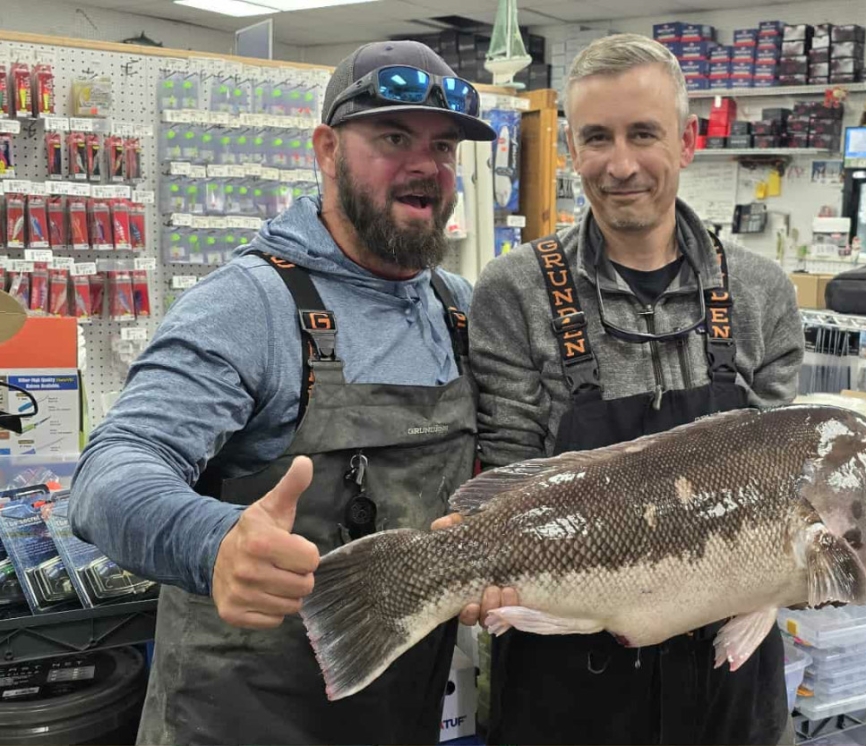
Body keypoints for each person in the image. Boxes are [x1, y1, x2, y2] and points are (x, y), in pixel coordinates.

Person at [69, 41, 496, 745]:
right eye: (393, 138)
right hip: (238, 724)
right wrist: (214, 542)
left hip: (396, 716)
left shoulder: (457, 313)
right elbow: (109, 471)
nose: (427, 166)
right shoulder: (251, 306)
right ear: (327, 150)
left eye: (444, 146)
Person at [465, 33, 805, 745]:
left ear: (685, 142)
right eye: (597, 138)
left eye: (643, 134)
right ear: (569, 150)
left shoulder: (761, 292)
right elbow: (507, 471)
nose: (621, 165)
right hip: (565, 673)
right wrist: (477, 554)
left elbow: (787, 489)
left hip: (728, 681)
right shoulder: (514, 291)